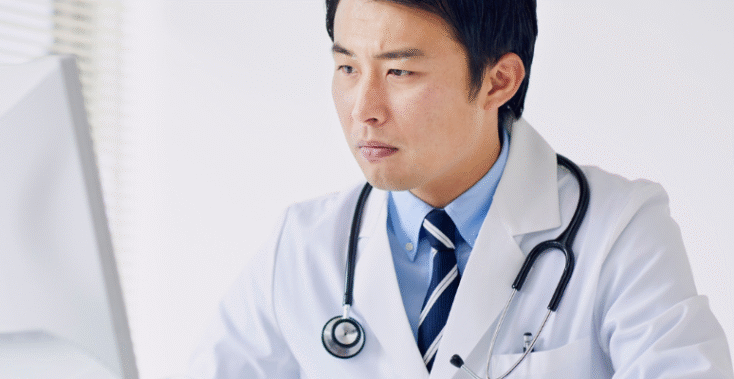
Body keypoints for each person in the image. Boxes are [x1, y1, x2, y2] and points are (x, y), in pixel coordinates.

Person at [186, 0, 734, 378]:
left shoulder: (619, 229)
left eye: (400, 73)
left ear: (499, 80)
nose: (364, 110)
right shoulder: (304, 246)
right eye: (348, 67)